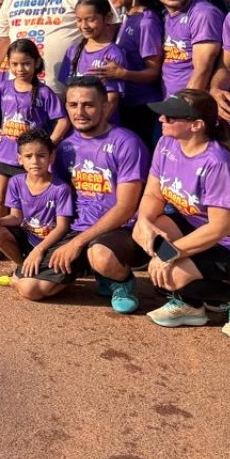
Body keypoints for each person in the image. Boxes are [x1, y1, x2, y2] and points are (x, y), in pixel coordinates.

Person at [134, 91, 230, 337]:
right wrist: (146, 223)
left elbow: (221, 228)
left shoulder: (217, 163)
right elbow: (153, 196)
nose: (161, 119)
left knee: (171, 275)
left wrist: (168, 256)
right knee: (142, 230)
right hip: (200, 231)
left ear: (196, 125)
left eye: (170, 116)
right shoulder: (167, 144)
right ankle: (192, 305)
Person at [52, 76, 149, 314]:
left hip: (121, 229)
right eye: (73, 105)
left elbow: (126, 207)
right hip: (78, 227)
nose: (80, 111)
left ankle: (121, 281)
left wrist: (78, 242)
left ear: (106, 106)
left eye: (88, 105)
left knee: (101, 256)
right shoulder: (65, 147)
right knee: (31, 288)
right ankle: (93, 270)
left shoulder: (126, 143)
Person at [0, 128, 77, 302]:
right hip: (29, 239)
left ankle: (20, 277)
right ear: (20, 159)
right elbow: (16, 218)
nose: (35, 161)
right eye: (28, 156)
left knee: (29, 290)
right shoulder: (16, 182)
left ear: (51, 157)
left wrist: (39, 250)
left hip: (51, 246)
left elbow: (62, 227)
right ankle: (21, 268)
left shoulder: (61, 188)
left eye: (41, 155)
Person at [0, 38, 67, 219]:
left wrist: (49, 144)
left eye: (26, 64)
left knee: (23, 202)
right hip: (3, 156)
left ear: (36, 63)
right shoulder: (3, 88)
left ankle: (23, 235)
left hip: (29, 161)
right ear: (9, 64)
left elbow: (62, 121)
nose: (20, 69)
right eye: (15, 64)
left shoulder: (44, 93)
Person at [102, 0, 164, 146]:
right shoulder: (128, 17)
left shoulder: (146, 23)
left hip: (143, 106)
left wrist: (122, 74)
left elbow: (153, 72)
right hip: (127, 102)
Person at [151, 0, 221, 98]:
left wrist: (184, 108)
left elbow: (202, 69)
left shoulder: (203, 14)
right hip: (170, 101)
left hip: (190, 105)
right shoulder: (165, 14)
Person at [57, 0, 125, 116]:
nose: (84, 26)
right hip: (77, 126)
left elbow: (112, 98)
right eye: (79, 20)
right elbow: (65, 91)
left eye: (90, 19)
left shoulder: (113, 54)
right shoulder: (73, 51)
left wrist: (97, 125)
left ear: (108, 17)